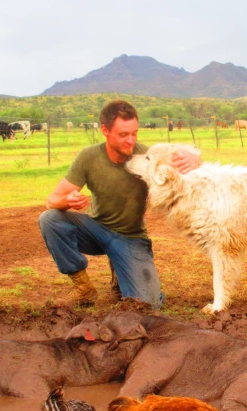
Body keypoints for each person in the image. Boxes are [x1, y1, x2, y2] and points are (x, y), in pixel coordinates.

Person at [38, 100, 201, 308]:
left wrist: (195, 160)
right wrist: (67, 201)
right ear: (105, 130)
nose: (130, 140)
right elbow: (52, 201)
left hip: (130, 238)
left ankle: (120, 272)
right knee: (50, 219)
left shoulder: (146, 158)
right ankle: (83, 288)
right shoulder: (88, 157)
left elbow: (187, 168)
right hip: (95, 231)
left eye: (134, 133)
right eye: (123, 135)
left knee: (146, 305)